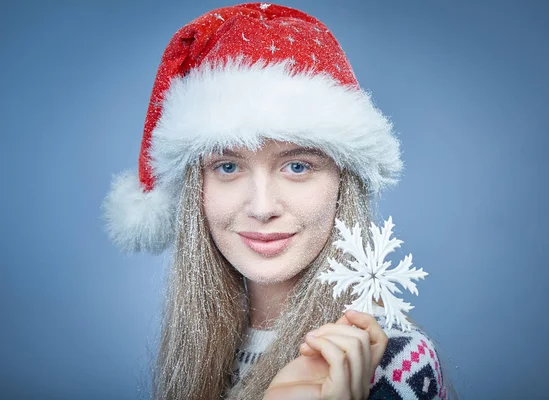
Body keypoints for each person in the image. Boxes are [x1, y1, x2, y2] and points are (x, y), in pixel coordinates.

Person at [103, 3, 449, 399]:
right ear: (195, 189)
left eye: (298, 166)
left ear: (343, 182)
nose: (262, 207)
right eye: (228, 167)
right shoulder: (202, 345)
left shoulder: (390, 359)